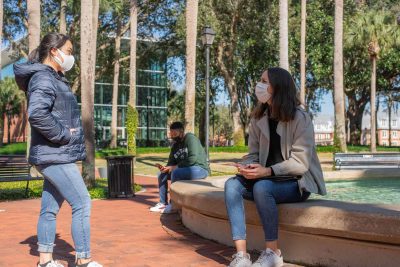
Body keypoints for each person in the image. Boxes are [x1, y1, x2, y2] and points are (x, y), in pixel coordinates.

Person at [14, 33, 102, 267]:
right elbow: (37, 114)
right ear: (54, 51)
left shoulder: (52, 77)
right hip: (55, 154)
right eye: (69, 51)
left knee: (49, 209)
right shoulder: (43, 78)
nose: (71, 56)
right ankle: (83, 259)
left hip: (54, 153)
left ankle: (45, 261)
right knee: (82, 202)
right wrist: (64, 135)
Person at [225, 67, 326, 267]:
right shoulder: (258, 118)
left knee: (263, 188)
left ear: (277, 88)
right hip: (266, 178)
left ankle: (273, 252)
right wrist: (245, 165)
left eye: (264, 81)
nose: (259, 85)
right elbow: (254, 154)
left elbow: (300, 163)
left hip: (296, 182)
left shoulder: (300, 118)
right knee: (231, 186)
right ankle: (242, 256)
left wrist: (268, 171)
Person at [150, 121, 209, 213]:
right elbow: (171, 163)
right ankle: (162, 203)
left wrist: (174, 167)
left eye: (175, 133)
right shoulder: (175, 146)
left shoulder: (190, 138)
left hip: (200, 169)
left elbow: (192, 159)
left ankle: (173, 204)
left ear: (181, 131)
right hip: (184, 169)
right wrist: (165, 168)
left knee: (176, 172)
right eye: (171, 134)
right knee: (161, 174)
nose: (173, 136)